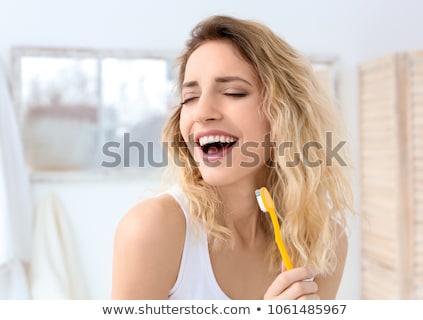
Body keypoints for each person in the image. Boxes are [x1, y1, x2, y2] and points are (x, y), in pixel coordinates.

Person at [111, 15, 353, 300]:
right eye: (190, 97)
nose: (202, 112)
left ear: (284, 113)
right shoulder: (153, 230)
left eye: (232, 92)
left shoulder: (325, 241)